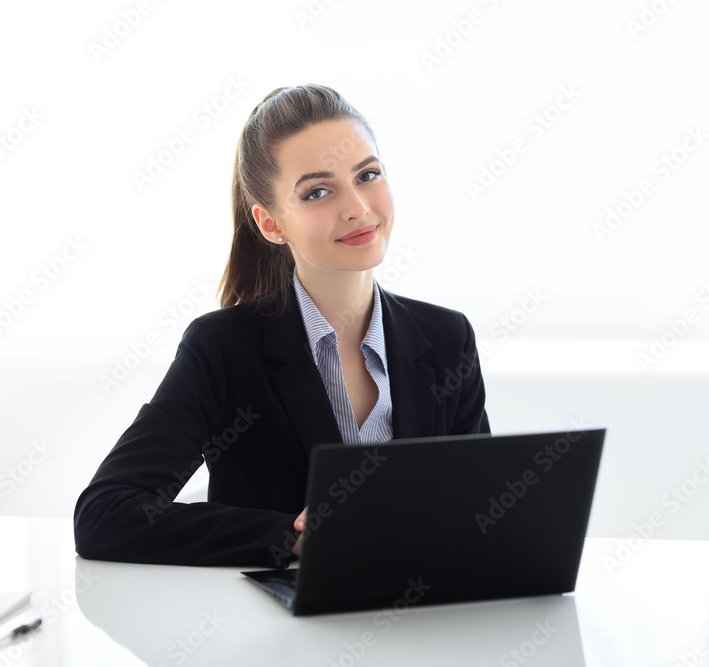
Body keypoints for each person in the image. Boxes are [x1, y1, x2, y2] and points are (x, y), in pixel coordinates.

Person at [73, 84, 490, 568]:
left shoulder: (447, 338)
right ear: (271, 224)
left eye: (368, 175)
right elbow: (105, 514)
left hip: (427, 606)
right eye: (317, 192)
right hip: (278, 613)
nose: (357, 207)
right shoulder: (223, 348)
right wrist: (290, 537)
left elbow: (479, 506)